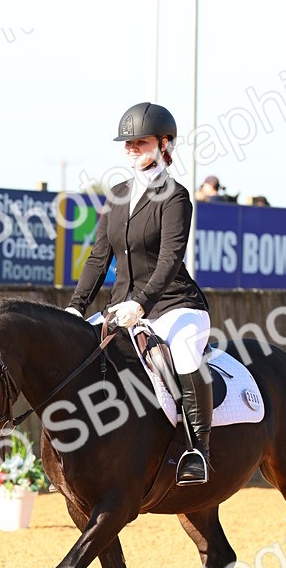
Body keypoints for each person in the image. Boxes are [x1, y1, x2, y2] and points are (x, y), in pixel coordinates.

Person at [66, 101, 212, 485]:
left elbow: (169, 258)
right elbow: (99, 259)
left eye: (141, 141)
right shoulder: (115, 195)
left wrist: (141, 303)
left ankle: (198, 450)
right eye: (127, 143)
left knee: (181, 355)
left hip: (174, 305)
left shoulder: (175, 196)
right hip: (122, 308)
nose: (132, 148)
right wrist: (75, 308)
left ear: (164, 144)